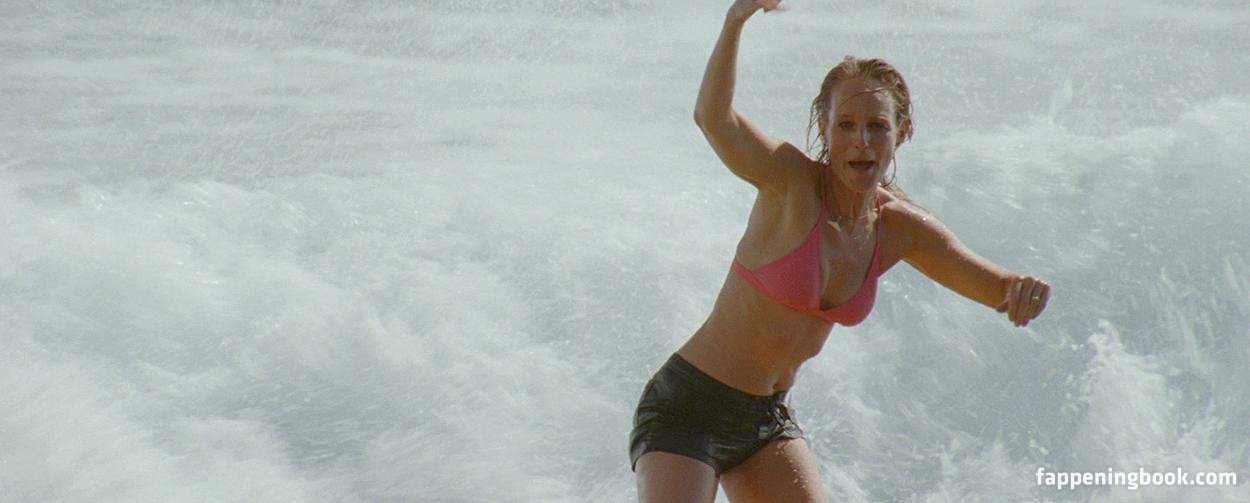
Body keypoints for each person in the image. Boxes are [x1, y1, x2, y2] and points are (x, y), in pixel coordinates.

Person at [628, 1, 1052, 501]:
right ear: (824, 129)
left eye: (877, 126)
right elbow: (714, 119)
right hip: (688, 408)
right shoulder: (791, 183)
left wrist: (1024, 292)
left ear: (902, 132)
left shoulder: (899, 229)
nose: (861, 141)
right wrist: (735, 20)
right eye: (846, 125)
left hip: (766, 422)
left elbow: (998, 289)